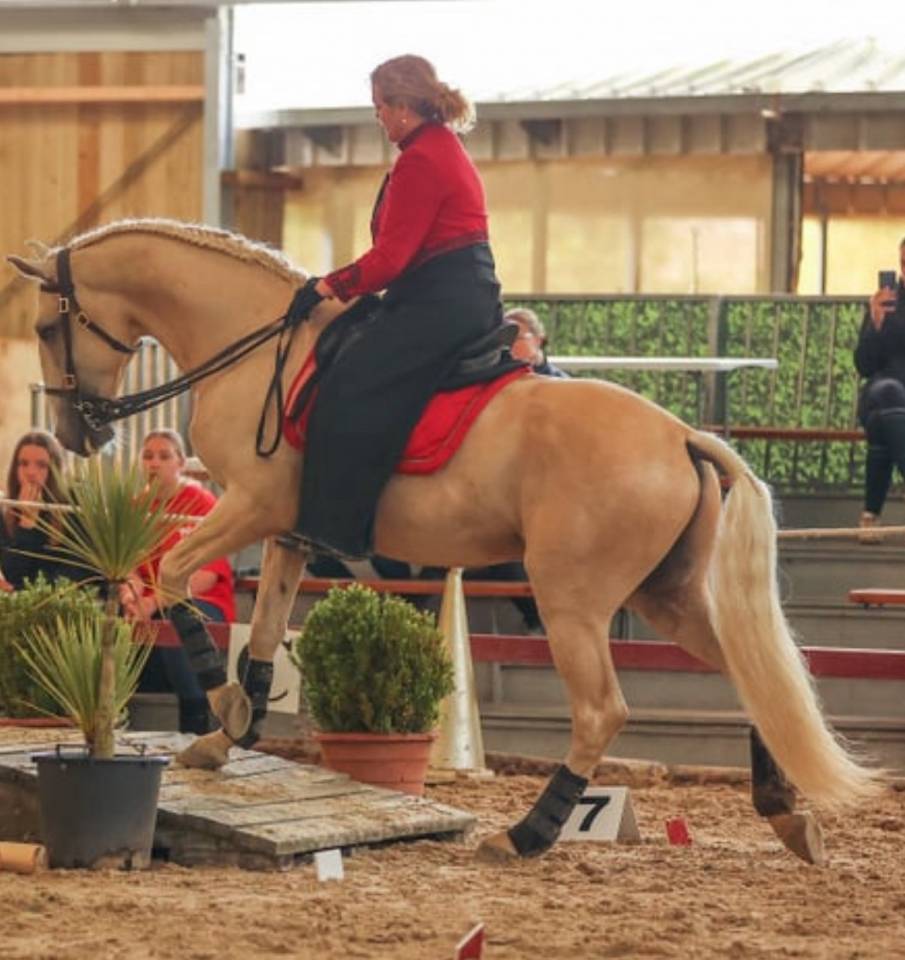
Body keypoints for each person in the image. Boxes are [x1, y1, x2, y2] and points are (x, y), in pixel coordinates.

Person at [299, 54, 511, 558]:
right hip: (450, 293)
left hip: (442, 300)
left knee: (351, 381)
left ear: (400, 106)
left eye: (378, 107)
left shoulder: (422, 158)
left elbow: (391, 259)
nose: (376, 117)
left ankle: (336, 528)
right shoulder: (438, 147)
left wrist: (326, 286)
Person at [121, 429, 236, 734]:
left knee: (177, 618)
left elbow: (206, 575)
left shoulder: (201, 503)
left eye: (164, 456)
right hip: (150, 605)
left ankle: (197, 722)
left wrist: (152, 601)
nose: (154, 463)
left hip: (201, 601)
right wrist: (131, 595)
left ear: (181, 463)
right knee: (112, 623)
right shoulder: (136, 506)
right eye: (147, 456)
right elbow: (130, 567)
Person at [854, 239, 905, 540]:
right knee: (888, 392)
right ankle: (870, 514)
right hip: (881, 392)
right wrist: (875, 323)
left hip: (886, 414)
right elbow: (864, 365)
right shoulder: (885, 303)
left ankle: (870, 515)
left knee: (885, 427)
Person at [0, 430, 83, 590]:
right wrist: (26, 525)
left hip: (60, 601)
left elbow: (76, 571)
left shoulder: (73, 504)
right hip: (22, 603)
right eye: (23, 464)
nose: (31, 473)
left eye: (41, 465)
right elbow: (13, 574)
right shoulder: (6, 510)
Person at [505, 307, 569, 378]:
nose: (508, 345)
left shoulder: (559, 382)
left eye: (517, 338)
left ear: (538, 340)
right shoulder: (497, 377)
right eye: (505, 340)